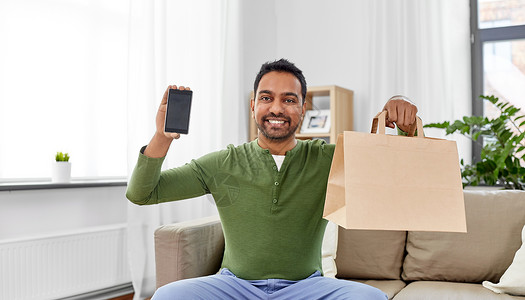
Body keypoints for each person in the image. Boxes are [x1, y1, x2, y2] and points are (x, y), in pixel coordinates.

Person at [126, 58, 418, 300]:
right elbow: (142, 193)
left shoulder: (330, 158)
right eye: (267, 98)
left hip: (307, 287)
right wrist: (162, 137)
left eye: (289, 100)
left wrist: (401, 110)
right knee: (167, 296)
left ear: (303, 109)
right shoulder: (222, 163)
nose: (277, 108)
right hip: (235, 286)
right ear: (253, 105)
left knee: (373, 298)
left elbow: (395, 174)